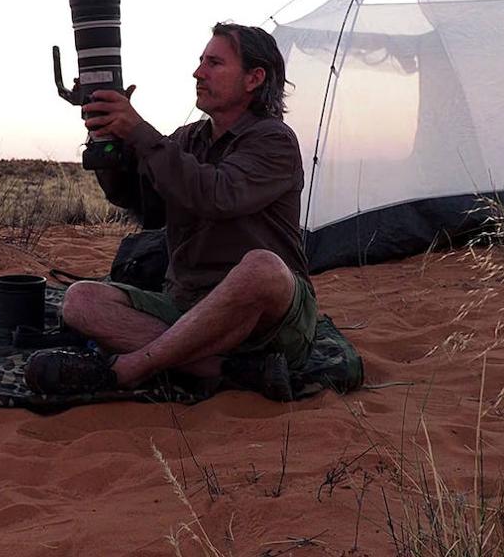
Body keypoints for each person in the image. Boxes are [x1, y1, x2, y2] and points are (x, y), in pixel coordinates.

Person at [25, 23, 316, 400]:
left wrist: (140, 132)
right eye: (200, 62)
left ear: (254, 78)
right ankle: (229, 371)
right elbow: (132, 197)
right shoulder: (188, 139)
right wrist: (105, 134)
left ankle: (131, 368)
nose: (198, 73)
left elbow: (215, 195)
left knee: (263, 268)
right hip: (187, 304)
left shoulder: (274, 141)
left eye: (214, 63)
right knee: (80, 301)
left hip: (266, 321)